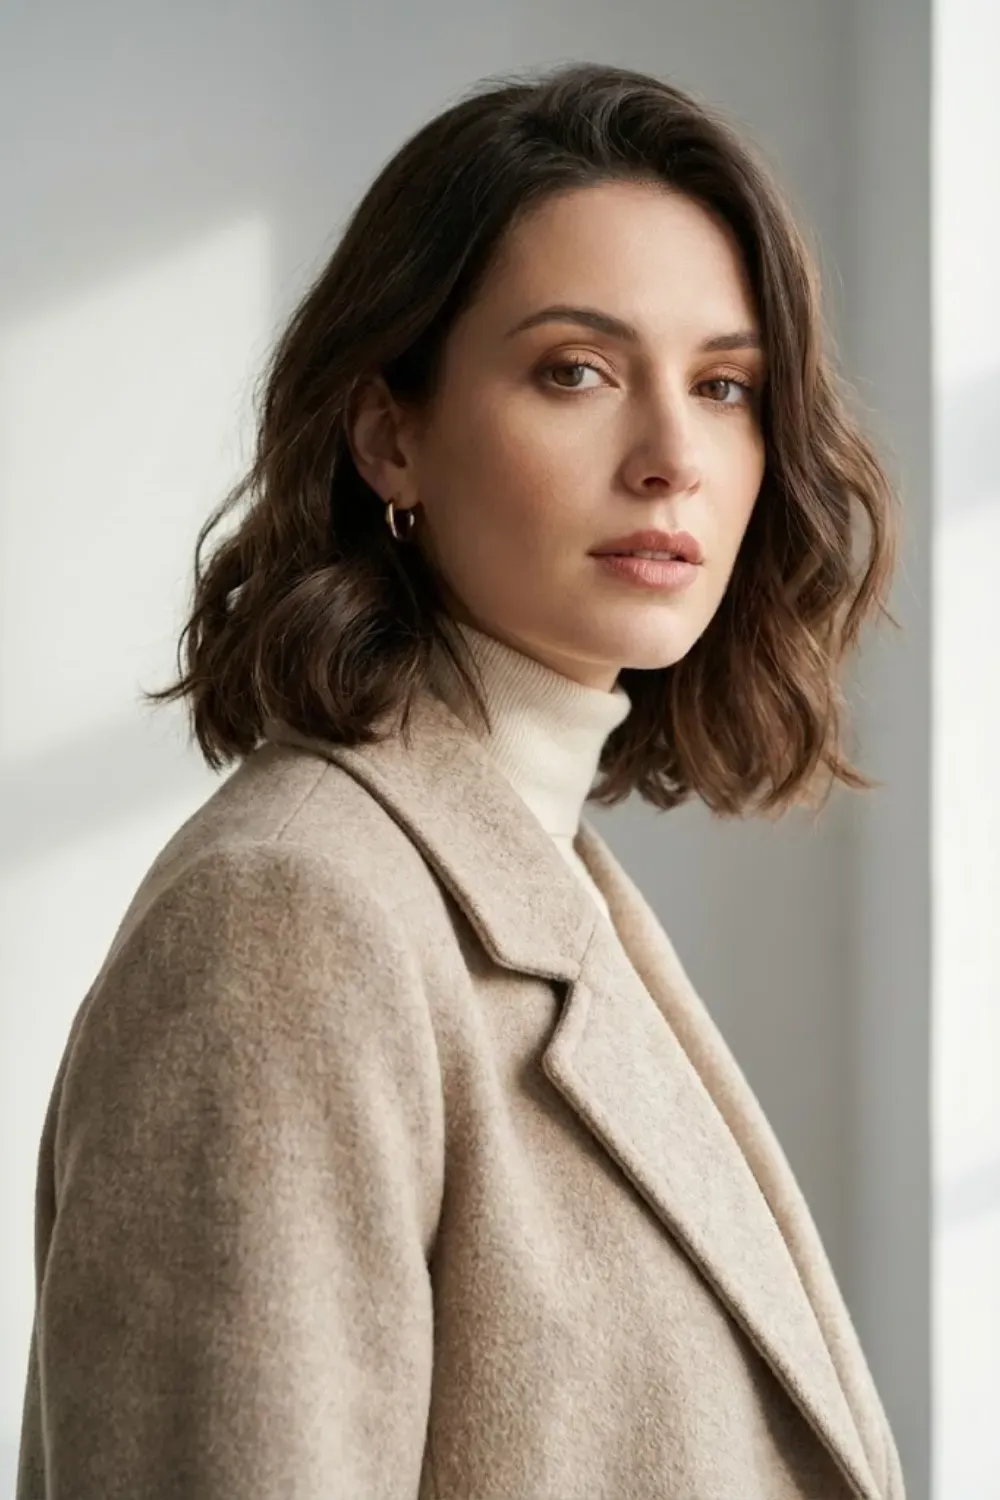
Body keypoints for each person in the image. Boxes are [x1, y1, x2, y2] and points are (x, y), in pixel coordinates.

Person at [16, 60, 905, 1500]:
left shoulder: (538, 880)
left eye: (725, 386)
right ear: (390, 434)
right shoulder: (289, 919)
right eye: (577, 371)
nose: (673, 457)